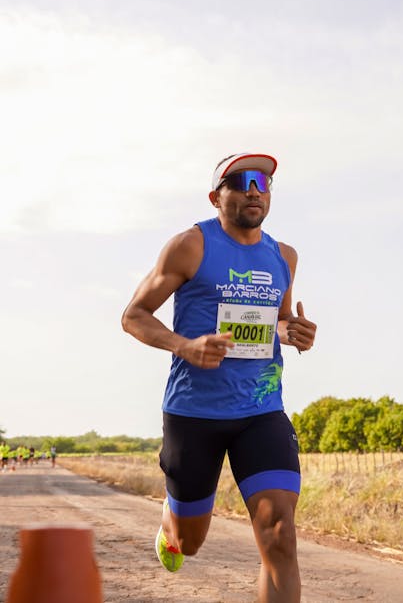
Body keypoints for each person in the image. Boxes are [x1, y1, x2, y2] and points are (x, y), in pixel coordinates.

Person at [122, 152, 317, 602]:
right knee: (190, 543)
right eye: (242, 180)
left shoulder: (284, 256)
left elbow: (280, 320)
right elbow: (134, 315)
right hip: (194, 412)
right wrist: (184, 345)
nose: (255, 188)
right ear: (216, 196)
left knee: (280, 531)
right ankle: (172, 522)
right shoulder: (190, 246)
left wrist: (294, 331)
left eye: (264, 182)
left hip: (261, 410)